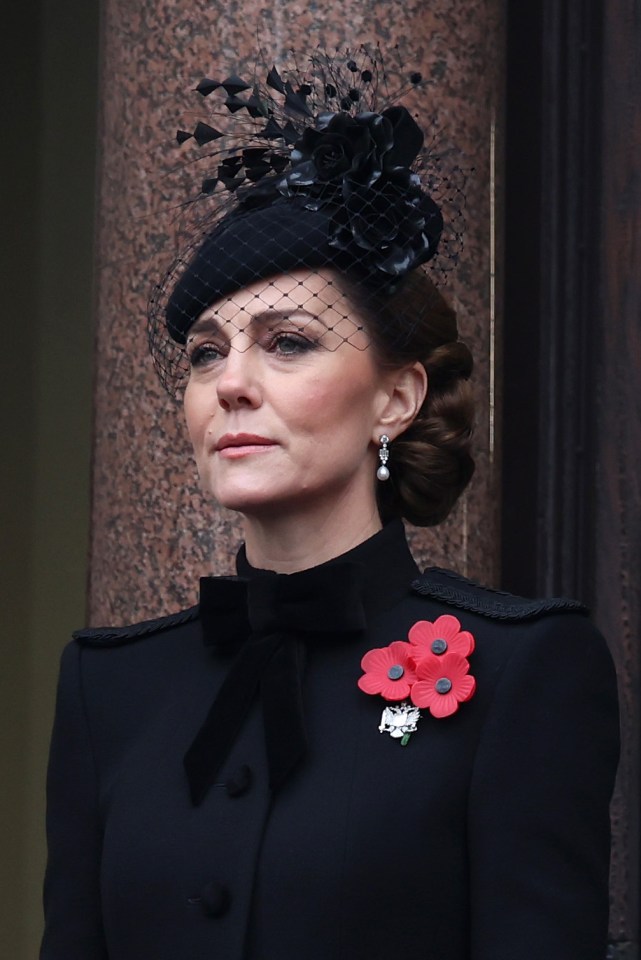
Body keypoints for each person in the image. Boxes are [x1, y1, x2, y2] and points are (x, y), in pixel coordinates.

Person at [41, 49, 619, 960]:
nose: (230, 383)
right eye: (204, 353)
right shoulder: (106, 690)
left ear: (395, 398)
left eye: (288, 343)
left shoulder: (524, 670)